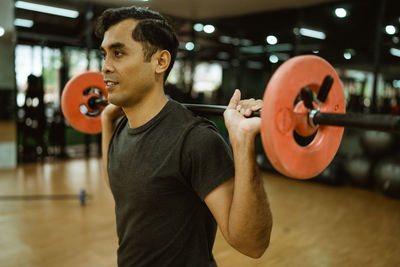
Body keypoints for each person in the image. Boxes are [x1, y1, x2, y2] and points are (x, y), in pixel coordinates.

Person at [95, 6, 272, 266]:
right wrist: (106, 120)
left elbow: (252, 244)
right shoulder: (122, 127)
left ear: (160, 62)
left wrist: (242, 141)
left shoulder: (195, 140)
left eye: (118, 53)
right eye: (104, 55)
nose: (105, 67)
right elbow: (121, 190)